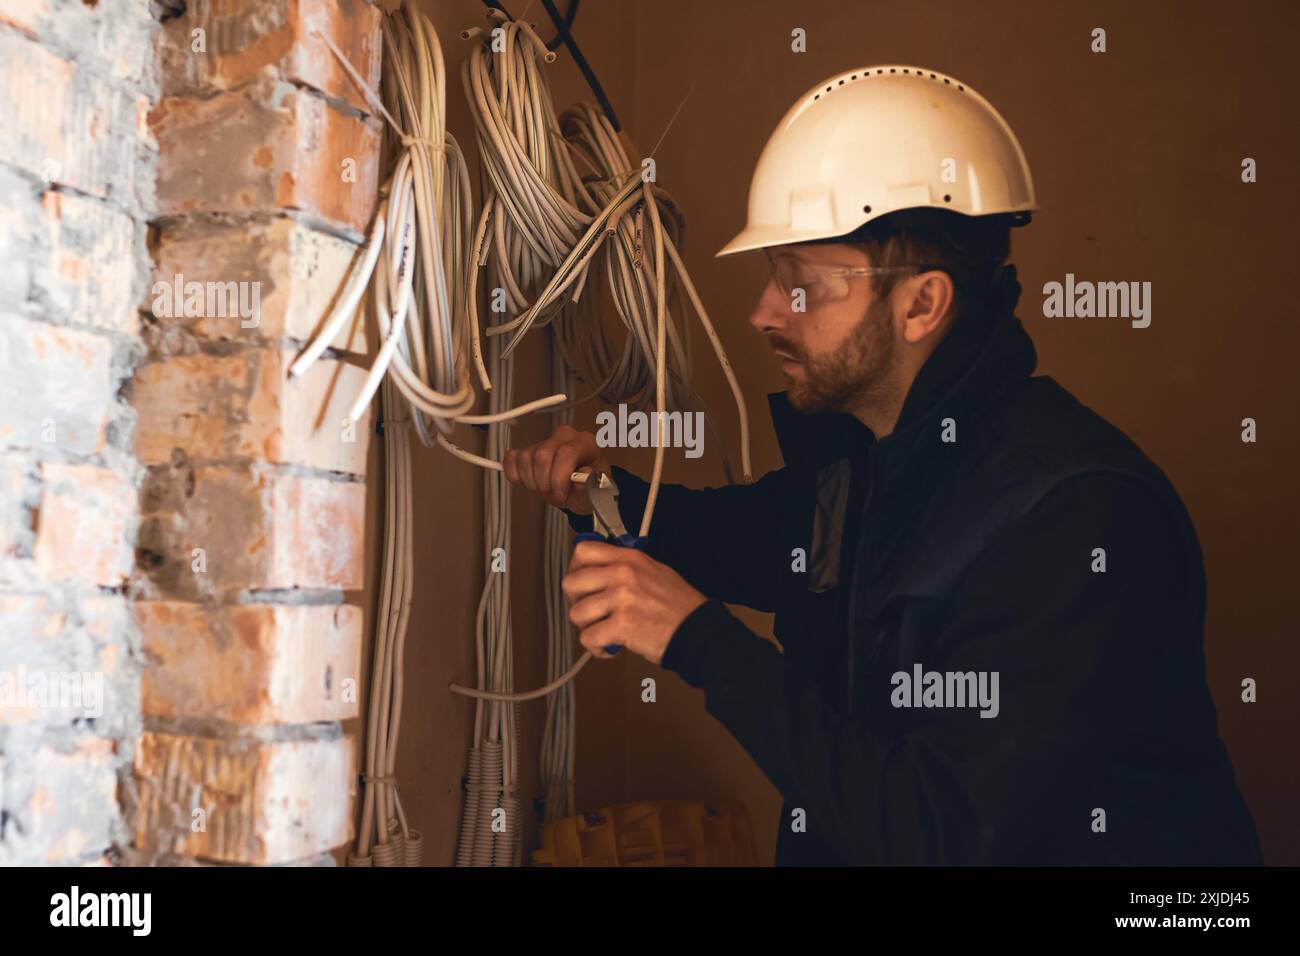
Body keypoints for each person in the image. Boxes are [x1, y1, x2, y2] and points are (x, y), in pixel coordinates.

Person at [502, 66, 1262, 865]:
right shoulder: (877, 460)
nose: (764, 311)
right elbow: (751, 539)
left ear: (921, 305)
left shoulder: (1076, 518)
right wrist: (602, 492)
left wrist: (696, 638)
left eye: (801, 286)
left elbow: (942, 833)